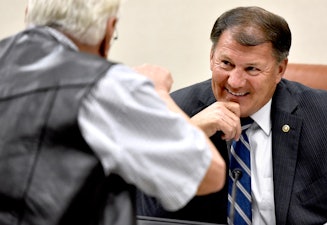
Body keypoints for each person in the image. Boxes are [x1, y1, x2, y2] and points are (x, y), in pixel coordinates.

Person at [136, 6, 327, 225]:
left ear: (280, 70)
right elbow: (141, 209)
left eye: (252, 69)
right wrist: (188, 135)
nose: (235, 82)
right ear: (211, 56)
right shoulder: (179, 111)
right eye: (226, 64)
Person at [0, 0, 227, 224]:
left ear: (28, 12)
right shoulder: (106, 85)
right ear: (108, 30)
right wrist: (157, 94)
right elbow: (207, 173)